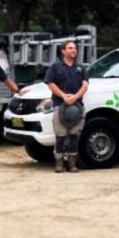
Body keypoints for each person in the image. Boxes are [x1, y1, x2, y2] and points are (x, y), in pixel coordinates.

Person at [45, 40, 89, 173]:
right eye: (70, 48)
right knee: (61, 135)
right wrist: (63, 96)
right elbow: (50, 83)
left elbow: (85, 84)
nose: (74, 50)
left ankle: (72, 163)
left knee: (75, 135)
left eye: (75, 48)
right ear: (63, 51)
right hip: (60, 105)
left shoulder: (80, 67)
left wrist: (75, 97)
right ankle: (59, 163)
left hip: (77, 107)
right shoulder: (55, 67)